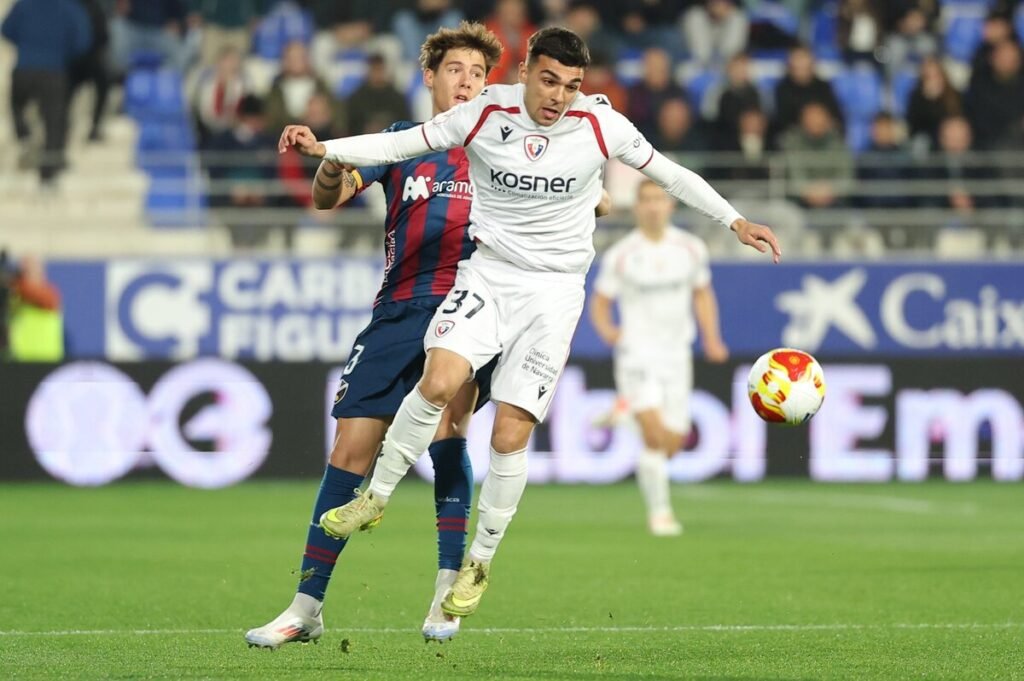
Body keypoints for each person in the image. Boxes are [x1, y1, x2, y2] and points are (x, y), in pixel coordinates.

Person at [280, 26, 779, 621]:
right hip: (488, 275)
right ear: (523, 74)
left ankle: (478, 562)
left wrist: (734, 221)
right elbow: (400, 144)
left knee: (508, 434)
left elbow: (671, 175)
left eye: (570, 86)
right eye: (548, 81)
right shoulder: (486, 113)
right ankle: (376, 498)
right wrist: (325, 149)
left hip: (554, 294)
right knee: (437, 382)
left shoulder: (600, 124)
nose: (559, 96)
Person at [246, 22, 507, 649]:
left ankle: (446, 592)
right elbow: (326, 197)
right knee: (350, 451)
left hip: (470, 306)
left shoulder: (504, 145)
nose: (467, 80)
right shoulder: (397, 142)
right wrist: (336, 159)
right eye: (455, 70)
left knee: (448, 428)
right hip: (396, 309)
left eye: (477, 72)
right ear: (431, 77)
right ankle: (306, 605)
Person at [589, 180, 728, 536]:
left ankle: (624, 415)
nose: (653, 206)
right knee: (653, 437)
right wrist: (609, 331)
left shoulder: (691, 248)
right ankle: (661, 514)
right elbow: (601, 304)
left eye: (659, 200)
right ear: (637, 207)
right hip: (636, 355)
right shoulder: (622, 253)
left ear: (671, 207)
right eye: (646, 200)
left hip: (676, 355)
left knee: (673, 443)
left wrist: (712, 338)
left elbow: (702, 295)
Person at [1, 0, 91, 186]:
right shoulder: (70, 8)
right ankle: (49, 168)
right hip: (54, 71)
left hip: (24, 68)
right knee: (54, 119)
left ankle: (24, 137)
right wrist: (61, 52)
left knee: (17, 105)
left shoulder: (24, 5)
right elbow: (83, 41)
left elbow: (6, 29)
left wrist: (27, 44)